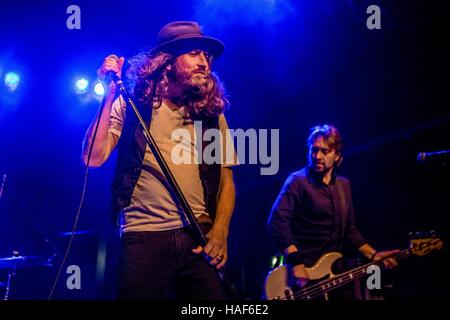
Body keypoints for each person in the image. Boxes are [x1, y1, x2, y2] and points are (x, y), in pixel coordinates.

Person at [81, 21, 237, 300]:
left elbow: (226, 178)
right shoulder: (132, 106)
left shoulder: (211, 115)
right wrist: (109, 96)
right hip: (144, 237)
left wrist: (220, 232)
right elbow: (93, 157)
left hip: (197, 236)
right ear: (168, 63)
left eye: (206, 56)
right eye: (194, 54)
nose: (204, 62)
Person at [267, 124, 398, 299]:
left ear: (337, 155)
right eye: (314, 150)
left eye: (324, 151)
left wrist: (374, 254)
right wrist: (296, 262)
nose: (317, 156)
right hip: (301, 277)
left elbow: (350, 231)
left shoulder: (344, 186)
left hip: (335, 274)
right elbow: (277, 221)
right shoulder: (298, 181)